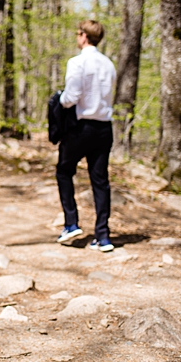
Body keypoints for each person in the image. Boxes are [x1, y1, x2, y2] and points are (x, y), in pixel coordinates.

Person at [56, 19, 116, 252]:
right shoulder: (108, 64)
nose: (77, 37)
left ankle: (71, 223)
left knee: (64, 171)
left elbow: (71, 97)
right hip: (104, 128)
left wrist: (58, 99)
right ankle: (103, 236)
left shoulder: (77, 62)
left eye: (78, 33)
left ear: (83, 36)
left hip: (81, 128)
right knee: (100, 180)